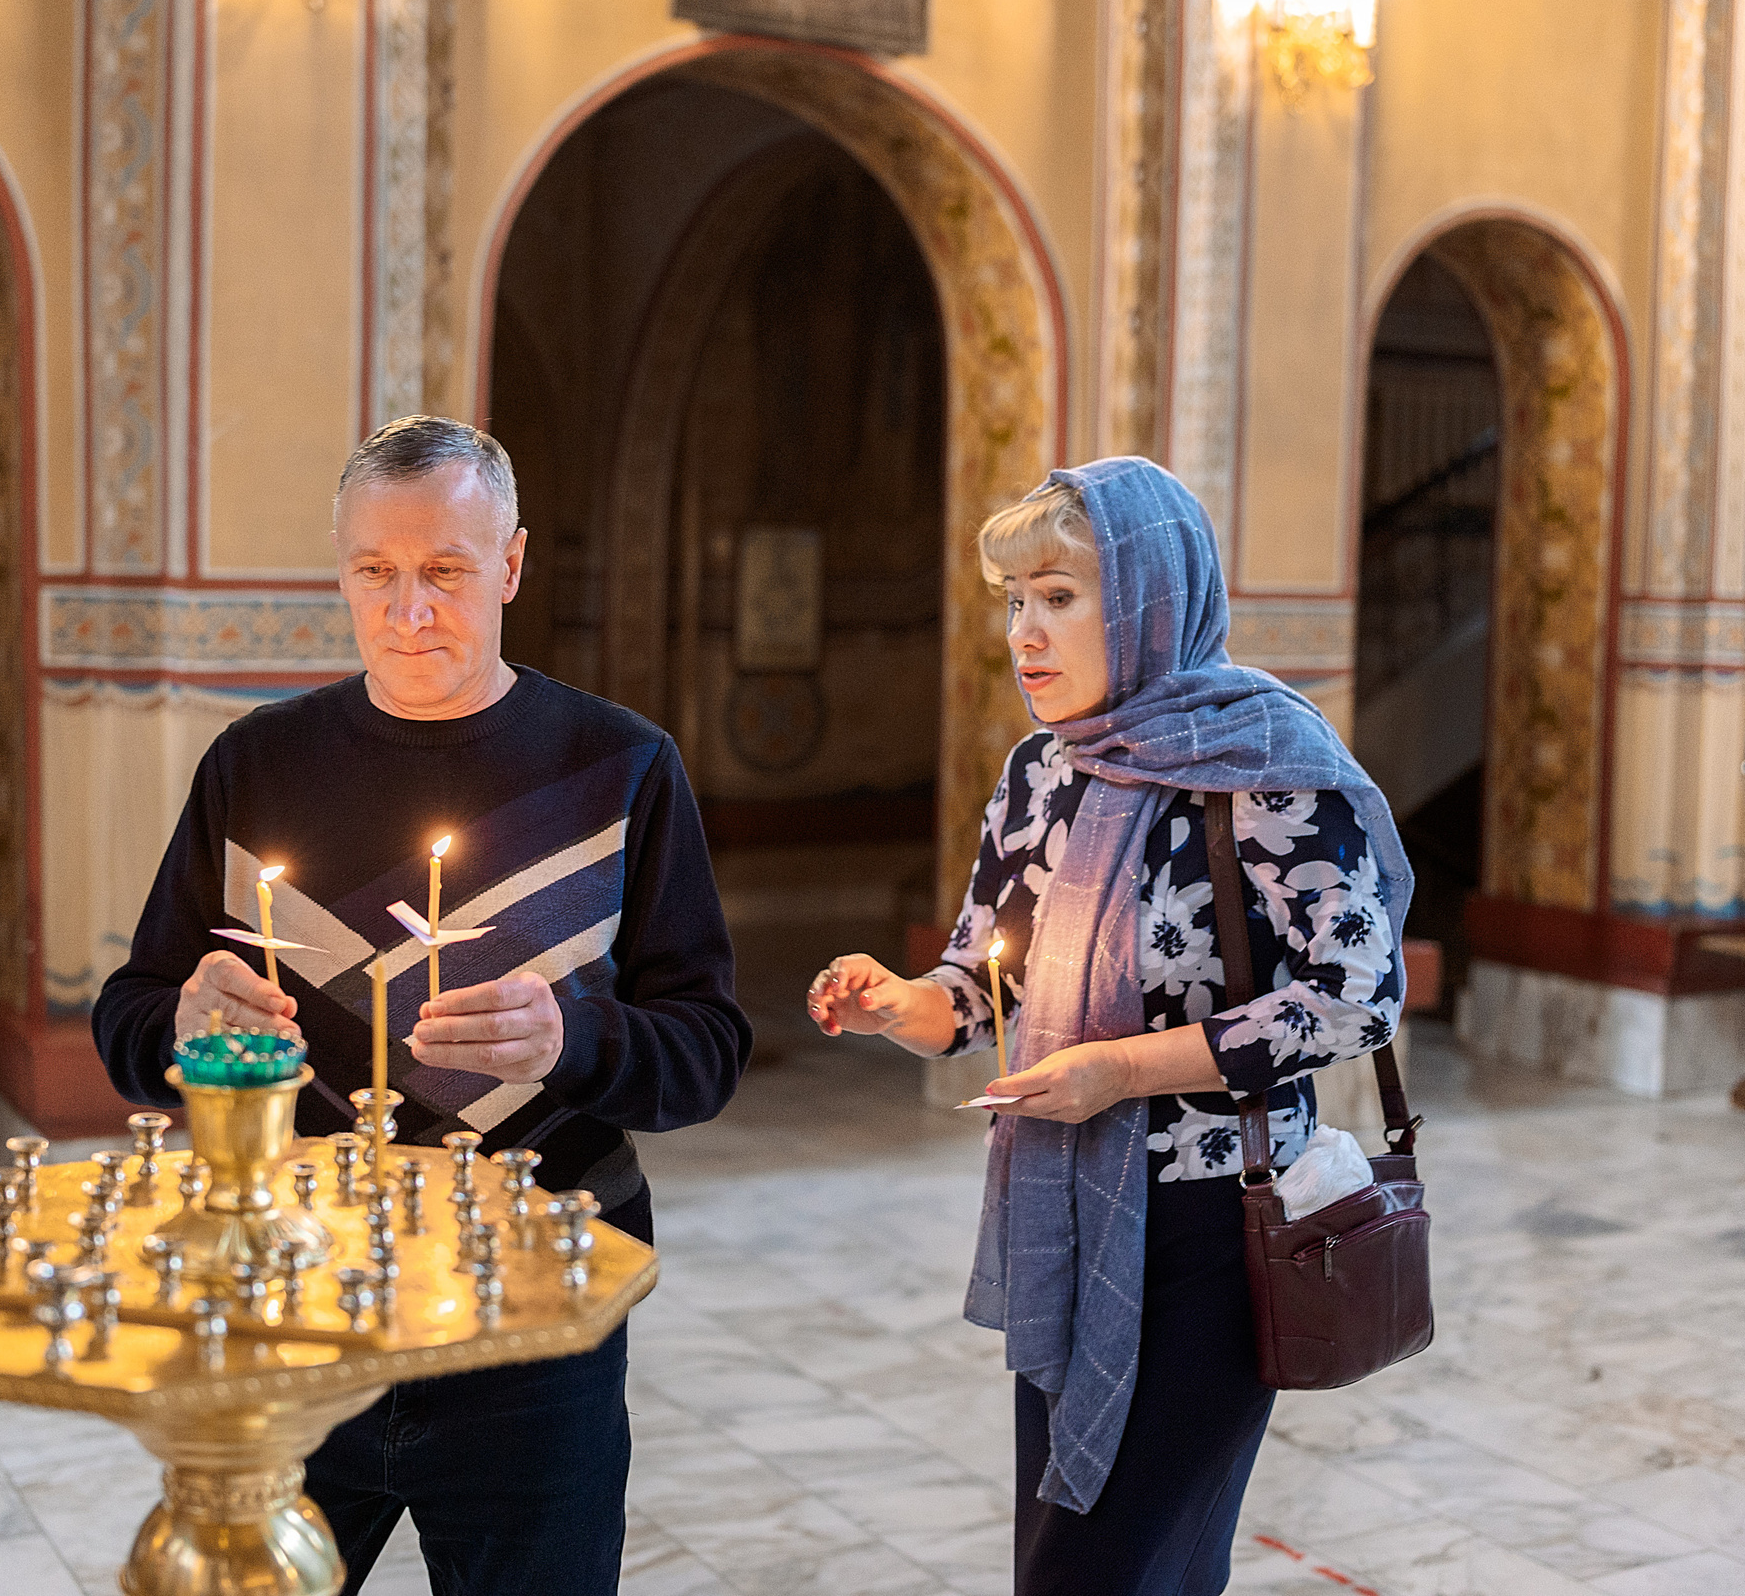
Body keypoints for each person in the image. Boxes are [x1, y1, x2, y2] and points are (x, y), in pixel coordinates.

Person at [92, 416, 752, 1596]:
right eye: (374, 572)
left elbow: (705, 1054)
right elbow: (133, 1017)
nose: (408, 610)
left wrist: (574, 1037)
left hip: (536, 1325)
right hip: (296, 1305)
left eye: (445, 571)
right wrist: (180, 1026)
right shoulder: (257, 764)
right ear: (340, 567)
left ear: (509, 564)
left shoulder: (623, 766)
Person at [808, 458, 1411, 1596]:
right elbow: (983, 983)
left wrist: (1121, 1069)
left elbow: (1355, 992)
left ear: (1146, 597)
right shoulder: (1044, 771)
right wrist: (903, 1003)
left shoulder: (1263, 767)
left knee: (1095, 1567)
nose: (1025, 632)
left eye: (1060, 595)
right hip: (1070, 1214)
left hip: (1217, 1225)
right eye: (1012, 599)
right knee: (1143, 1567)